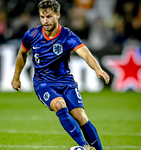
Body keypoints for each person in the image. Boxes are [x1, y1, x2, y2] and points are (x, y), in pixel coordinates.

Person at [11, 0, 110, 150]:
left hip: (66, 81)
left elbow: (86, 54)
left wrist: (98, 69)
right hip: (43, 83)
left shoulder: (68, 36)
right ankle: (83, 146)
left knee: (81, 116)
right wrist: (16, 77)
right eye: (42, 17)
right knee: (59, 104)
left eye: (49, 17)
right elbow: (22, 53)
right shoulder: (32, 35)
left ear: (58, 15)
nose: (45, 21)